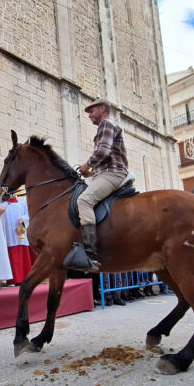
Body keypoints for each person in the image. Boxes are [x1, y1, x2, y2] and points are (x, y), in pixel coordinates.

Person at [65, 98, 129, 272]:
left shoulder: (106, 124)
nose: (89, 115)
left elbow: (103, 151)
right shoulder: (108, 125)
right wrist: (92, 173)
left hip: (113, 173)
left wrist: (87, 165)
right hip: (107, 172)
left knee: (84, 201)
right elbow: (108, 156)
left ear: (102, 109)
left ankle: (90, 254)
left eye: (91, 111)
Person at [1, 196, 33, 285]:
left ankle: (25, 279)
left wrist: (24, 219)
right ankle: (12, 279)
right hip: (9, 234)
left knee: (23, 255)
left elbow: (29, 214)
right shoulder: (3, 205)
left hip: (21, 233)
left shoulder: (22, 204)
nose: (13, 194)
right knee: (11, 256)